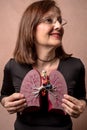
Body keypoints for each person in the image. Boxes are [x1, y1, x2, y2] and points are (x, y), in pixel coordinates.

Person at [0, 0, 87, 130]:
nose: (58, 26)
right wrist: (5, 102)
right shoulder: (13, 66)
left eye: (59, 20)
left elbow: (81, 97)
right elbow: (4, 95)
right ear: (31, 27)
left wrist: (81, 104)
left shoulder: (75, 66)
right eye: (49, 20)